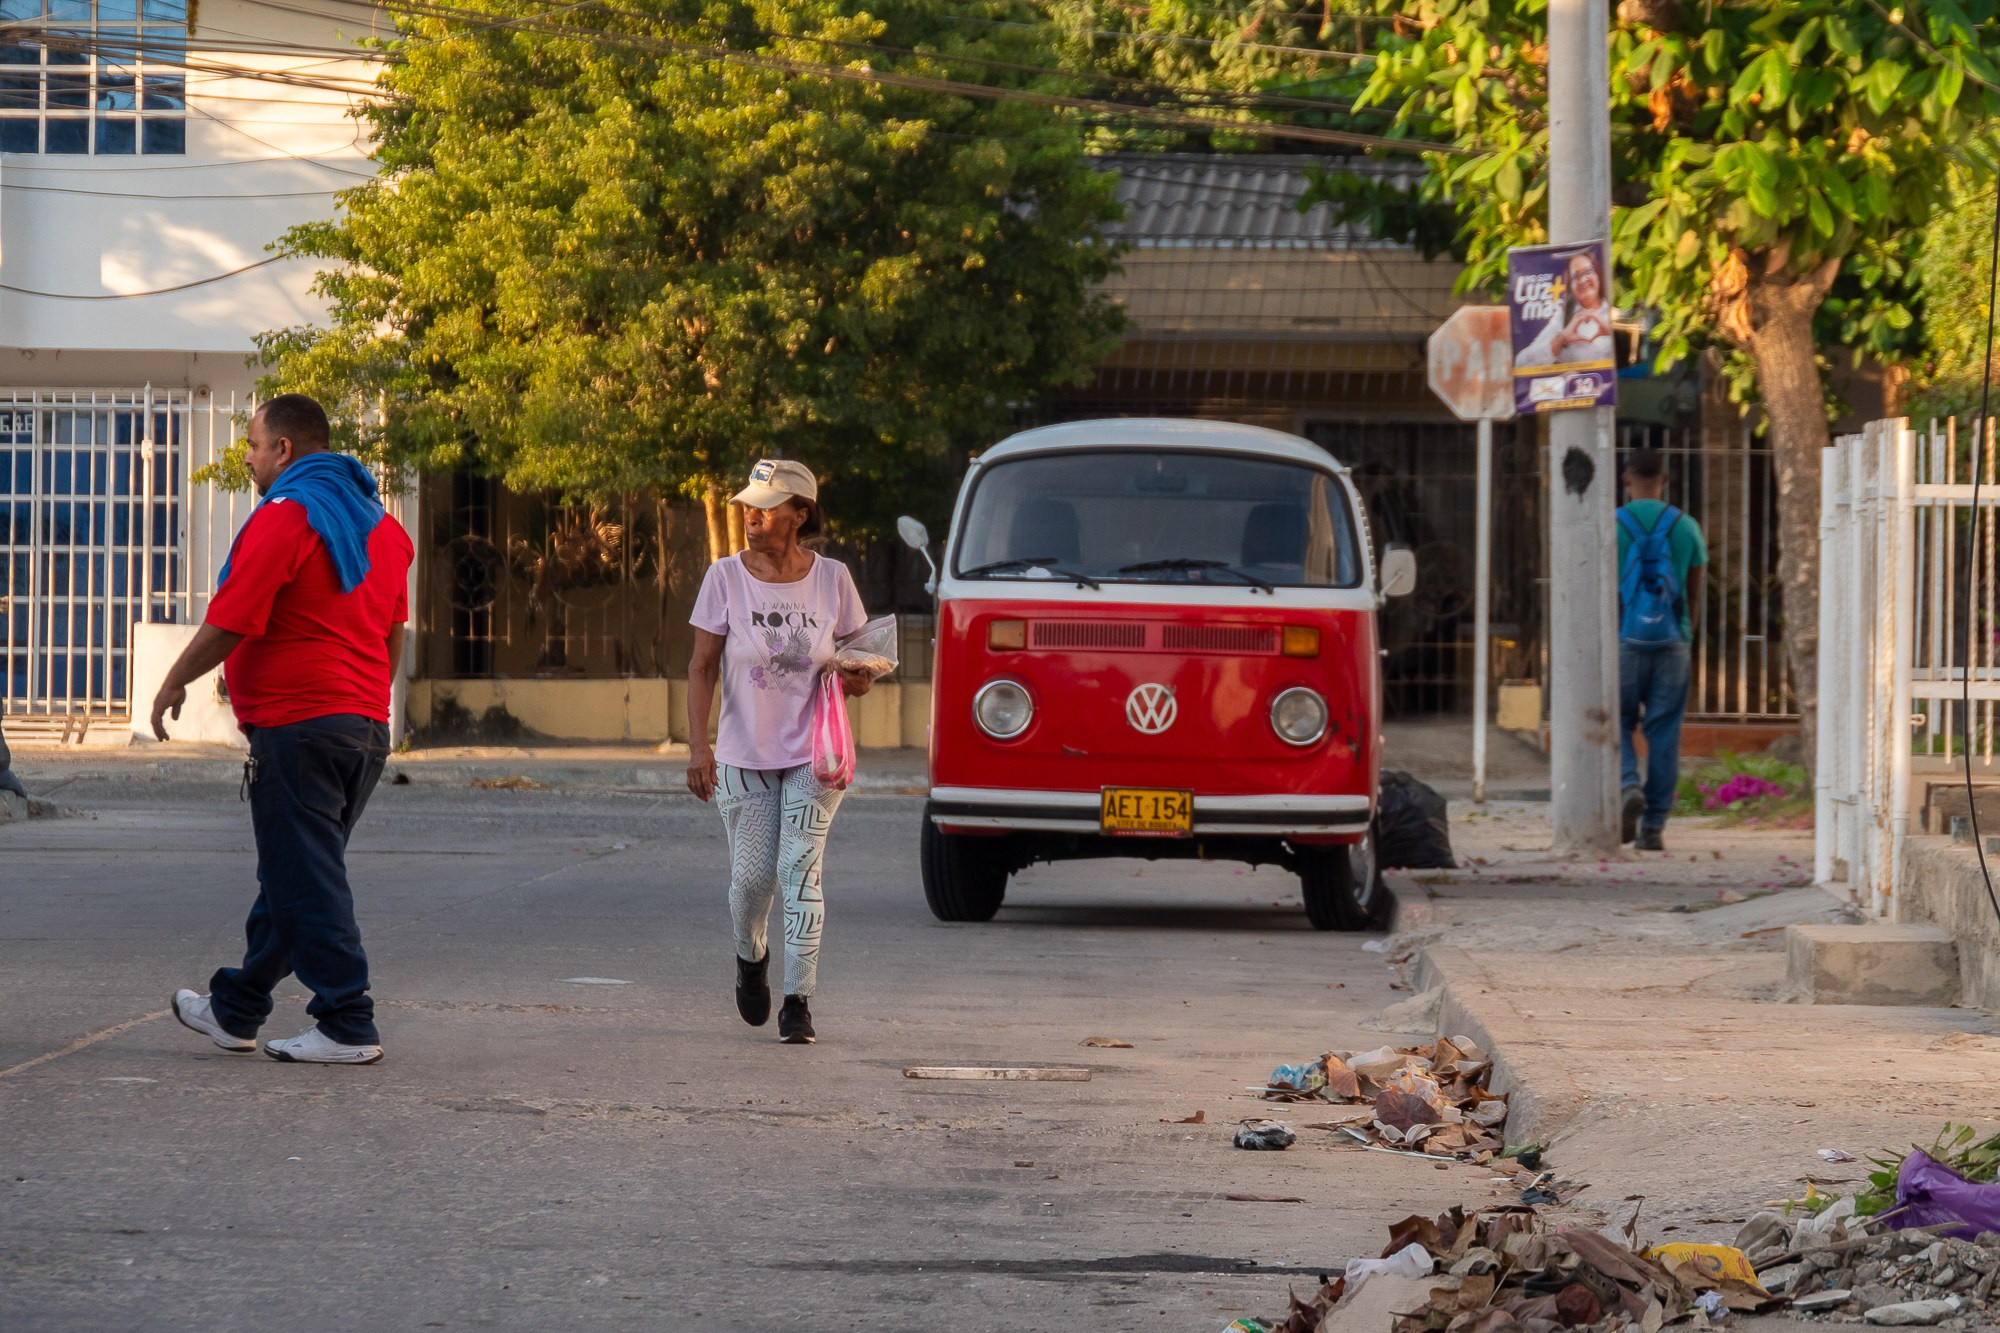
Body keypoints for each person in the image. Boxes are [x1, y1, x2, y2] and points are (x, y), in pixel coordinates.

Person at [152, 393, 414, 1065]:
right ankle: (236, 1008)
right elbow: (393, 633)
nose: (247, 457)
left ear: (285, 449)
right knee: (296, 873)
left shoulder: (288, 516)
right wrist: (364, 702)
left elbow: (234, 615)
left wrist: (176, 677)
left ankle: (348, 1020)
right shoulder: (380, 528)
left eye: (253, 444)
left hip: (299, 727)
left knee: (306, 878)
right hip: (360, 730)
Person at [685, 459, 872, 1045]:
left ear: (799, 515)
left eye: (766, 509)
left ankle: (799, 1001)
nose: (752, 517)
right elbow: (702, 666)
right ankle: (750, 956)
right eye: (748, 507)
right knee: (750, 882)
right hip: (744, 753)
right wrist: (699, 746)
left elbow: (857, 657)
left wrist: (860, 675)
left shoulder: (833, 579)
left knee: (798, 866)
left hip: (815, 755)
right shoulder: (724, 578)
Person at [1617, 447, 1707, 852]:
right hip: (1672, 642)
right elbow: (1694, 591)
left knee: (1616, 722)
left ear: (1626, 479)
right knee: (1665, 733)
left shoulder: (1612, 526)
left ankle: (1626, 785)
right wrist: (1686, 635)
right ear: (1665, 480)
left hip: (1623, 642)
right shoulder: (1686, 527)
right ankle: (1652, 827)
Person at [1521, 249, 1615, 370]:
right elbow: (1521, 363)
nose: (1583, 280)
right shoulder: (1564, 318)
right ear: (1571, 286)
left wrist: (1610, 331)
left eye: (1588, 271)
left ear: (1598, 275)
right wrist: (1561, 339)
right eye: (1576, 276)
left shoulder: (1614, 311)